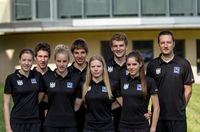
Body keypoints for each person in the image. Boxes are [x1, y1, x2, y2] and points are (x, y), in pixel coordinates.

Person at [146, 30, 195, 132]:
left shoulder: (184, 63)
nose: (165, 45)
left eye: (168, 42)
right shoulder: (152, 65)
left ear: (173, 44)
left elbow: (188, 89)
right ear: (159, 45)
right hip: (158, 117)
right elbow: (147, 91)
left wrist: (180, 107)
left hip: (178, 118)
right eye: (162, 43)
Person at [116, 50, 160, 132]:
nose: (131, 67)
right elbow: (117, 96)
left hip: (142, 126)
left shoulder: (149, 81)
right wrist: (129, 107)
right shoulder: (122, 79)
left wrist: (153, 128)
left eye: (134, 64)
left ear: (140, 64)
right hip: (124, 125)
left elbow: (157, 107)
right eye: (128, 64)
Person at [42, 44, 81, 132]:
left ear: (68, 61)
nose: (62, 64)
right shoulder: (46, 77)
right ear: (55, 60)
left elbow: (78, 103)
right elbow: (42, 98)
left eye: (64, 61)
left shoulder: (76, 77)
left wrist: (67, 112)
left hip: (70, 125)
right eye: (59, 61)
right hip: (50, 125)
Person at [3, 48, 41, 132]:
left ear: (33, 61)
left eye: (29, 60)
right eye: (24, 60)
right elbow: (6, 104)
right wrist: (8, 127)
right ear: (19, 60)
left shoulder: (37, 76)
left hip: (34, 122)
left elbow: (41, 96)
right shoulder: (11, 78)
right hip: (17, 122)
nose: (26, 63)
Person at [81, 54, 115, 132]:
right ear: (89, 68)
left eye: (99, 66)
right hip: (89, 127)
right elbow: (84, 104)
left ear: (103, 68)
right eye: (93, 67)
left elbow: (119, 102)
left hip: (107, 126)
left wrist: (105, 108)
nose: (96, 69)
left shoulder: (112, 84)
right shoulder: (84, 85)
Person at [106, 32, 129, 132]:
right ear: (111, 48)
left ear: (126, 46)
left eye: (121, 45)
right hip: (110, 115)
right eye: (115, 46)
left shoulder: (134, 65)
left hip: (130, 115)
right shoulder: (105, 67)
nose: (118, 48)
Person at [68, 39, 88, 132]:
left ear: (86, 53)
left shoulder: (93, 70)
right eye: (76, 53)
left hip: (90, 117)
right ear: (72, 53)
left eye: (82, 52)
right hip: (71, 117)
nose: (80, 56)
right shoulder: (67, 72)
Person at [33, 42, 51, 132]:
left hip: (51, 120)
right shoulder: (29, 76)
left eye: (45, 56)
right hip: (32, 120)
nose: (43, 60)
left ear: (49, 58)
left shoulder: (54, 75)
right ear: (35, 58)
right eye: (40, 56)